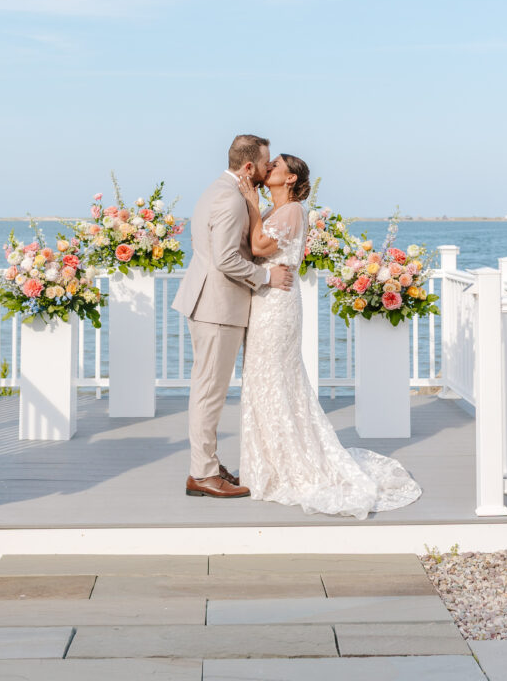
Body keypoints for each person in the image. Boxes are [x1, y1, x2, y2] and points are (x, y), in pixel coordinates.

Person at [237, 154, 422, 519]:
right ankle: (269, 460)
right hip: (266, 301)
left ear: (290, 179)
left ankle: (287, 463)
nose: (268, 168)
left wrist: (250, 203)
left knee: (273, 379)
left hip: (277, 306)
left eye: (275, 165)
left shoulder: (291, 211)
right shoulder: (277, 212)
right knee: (265, 381)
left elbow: (259, 248)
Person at [173, 134, 293, 498]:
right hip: (217, 306)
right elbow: (226, 258)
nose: (268, 167)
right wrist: (266, 276)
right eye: (265, 162)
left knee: (207, 391)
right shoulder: (230, 199)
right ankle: (203, 474)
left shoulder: (218, 190)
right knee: (209, 393)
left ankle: (207, 463)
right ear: (248, 167)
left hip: (212, 303)